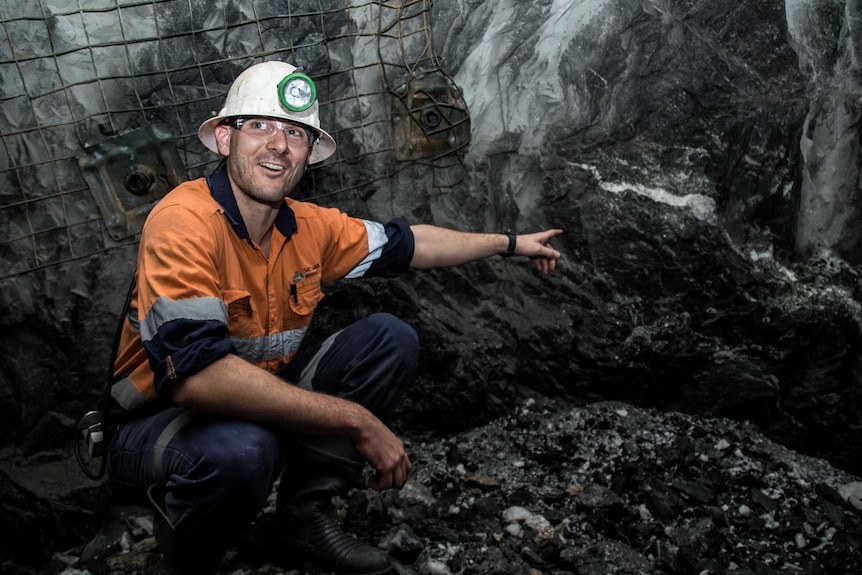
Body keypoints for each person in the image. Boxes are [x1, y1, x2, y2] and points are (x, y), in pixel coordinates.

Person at [105, 60, 562, 575]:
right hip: (151, 425)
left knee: (388, 338)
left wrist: (510, 243)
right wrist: (357, 420)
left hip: (252, 406)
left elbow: (412, 243)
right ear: (225, 139)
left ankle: (302, 520)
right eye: (259, 125)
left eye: (295, 133)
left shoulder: (308, 227)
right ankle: (189, 561)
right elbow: (196, 379)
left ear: (308, 153)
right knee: (242, 450)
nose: (278, 144)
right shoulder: (183, 221)